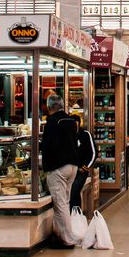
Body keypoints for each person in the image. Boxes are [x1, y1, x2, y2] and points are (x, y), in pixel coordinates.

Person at [40, 94, 80, 248]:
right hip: (72, 166)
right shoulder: (70, 120)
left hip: (58, 167)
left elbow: (50, 144)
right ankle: (59, 235)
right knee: (64, 202)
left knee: (61, 203)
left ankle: (67, 239)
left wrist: (38, 148)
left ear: (49, 107)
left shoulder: (52, 122)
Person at [69, 113, 96, 213]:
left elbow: (94, 153)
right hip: (70, 170)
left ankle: (74, 214)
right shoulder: (68, 136)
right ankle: (77, 215)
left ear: (79, 124)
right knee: (74, 193)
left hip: (81, 171)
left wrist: (85, 167)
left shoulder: (86, 134)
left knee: (74, 189)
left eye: (76, 124)